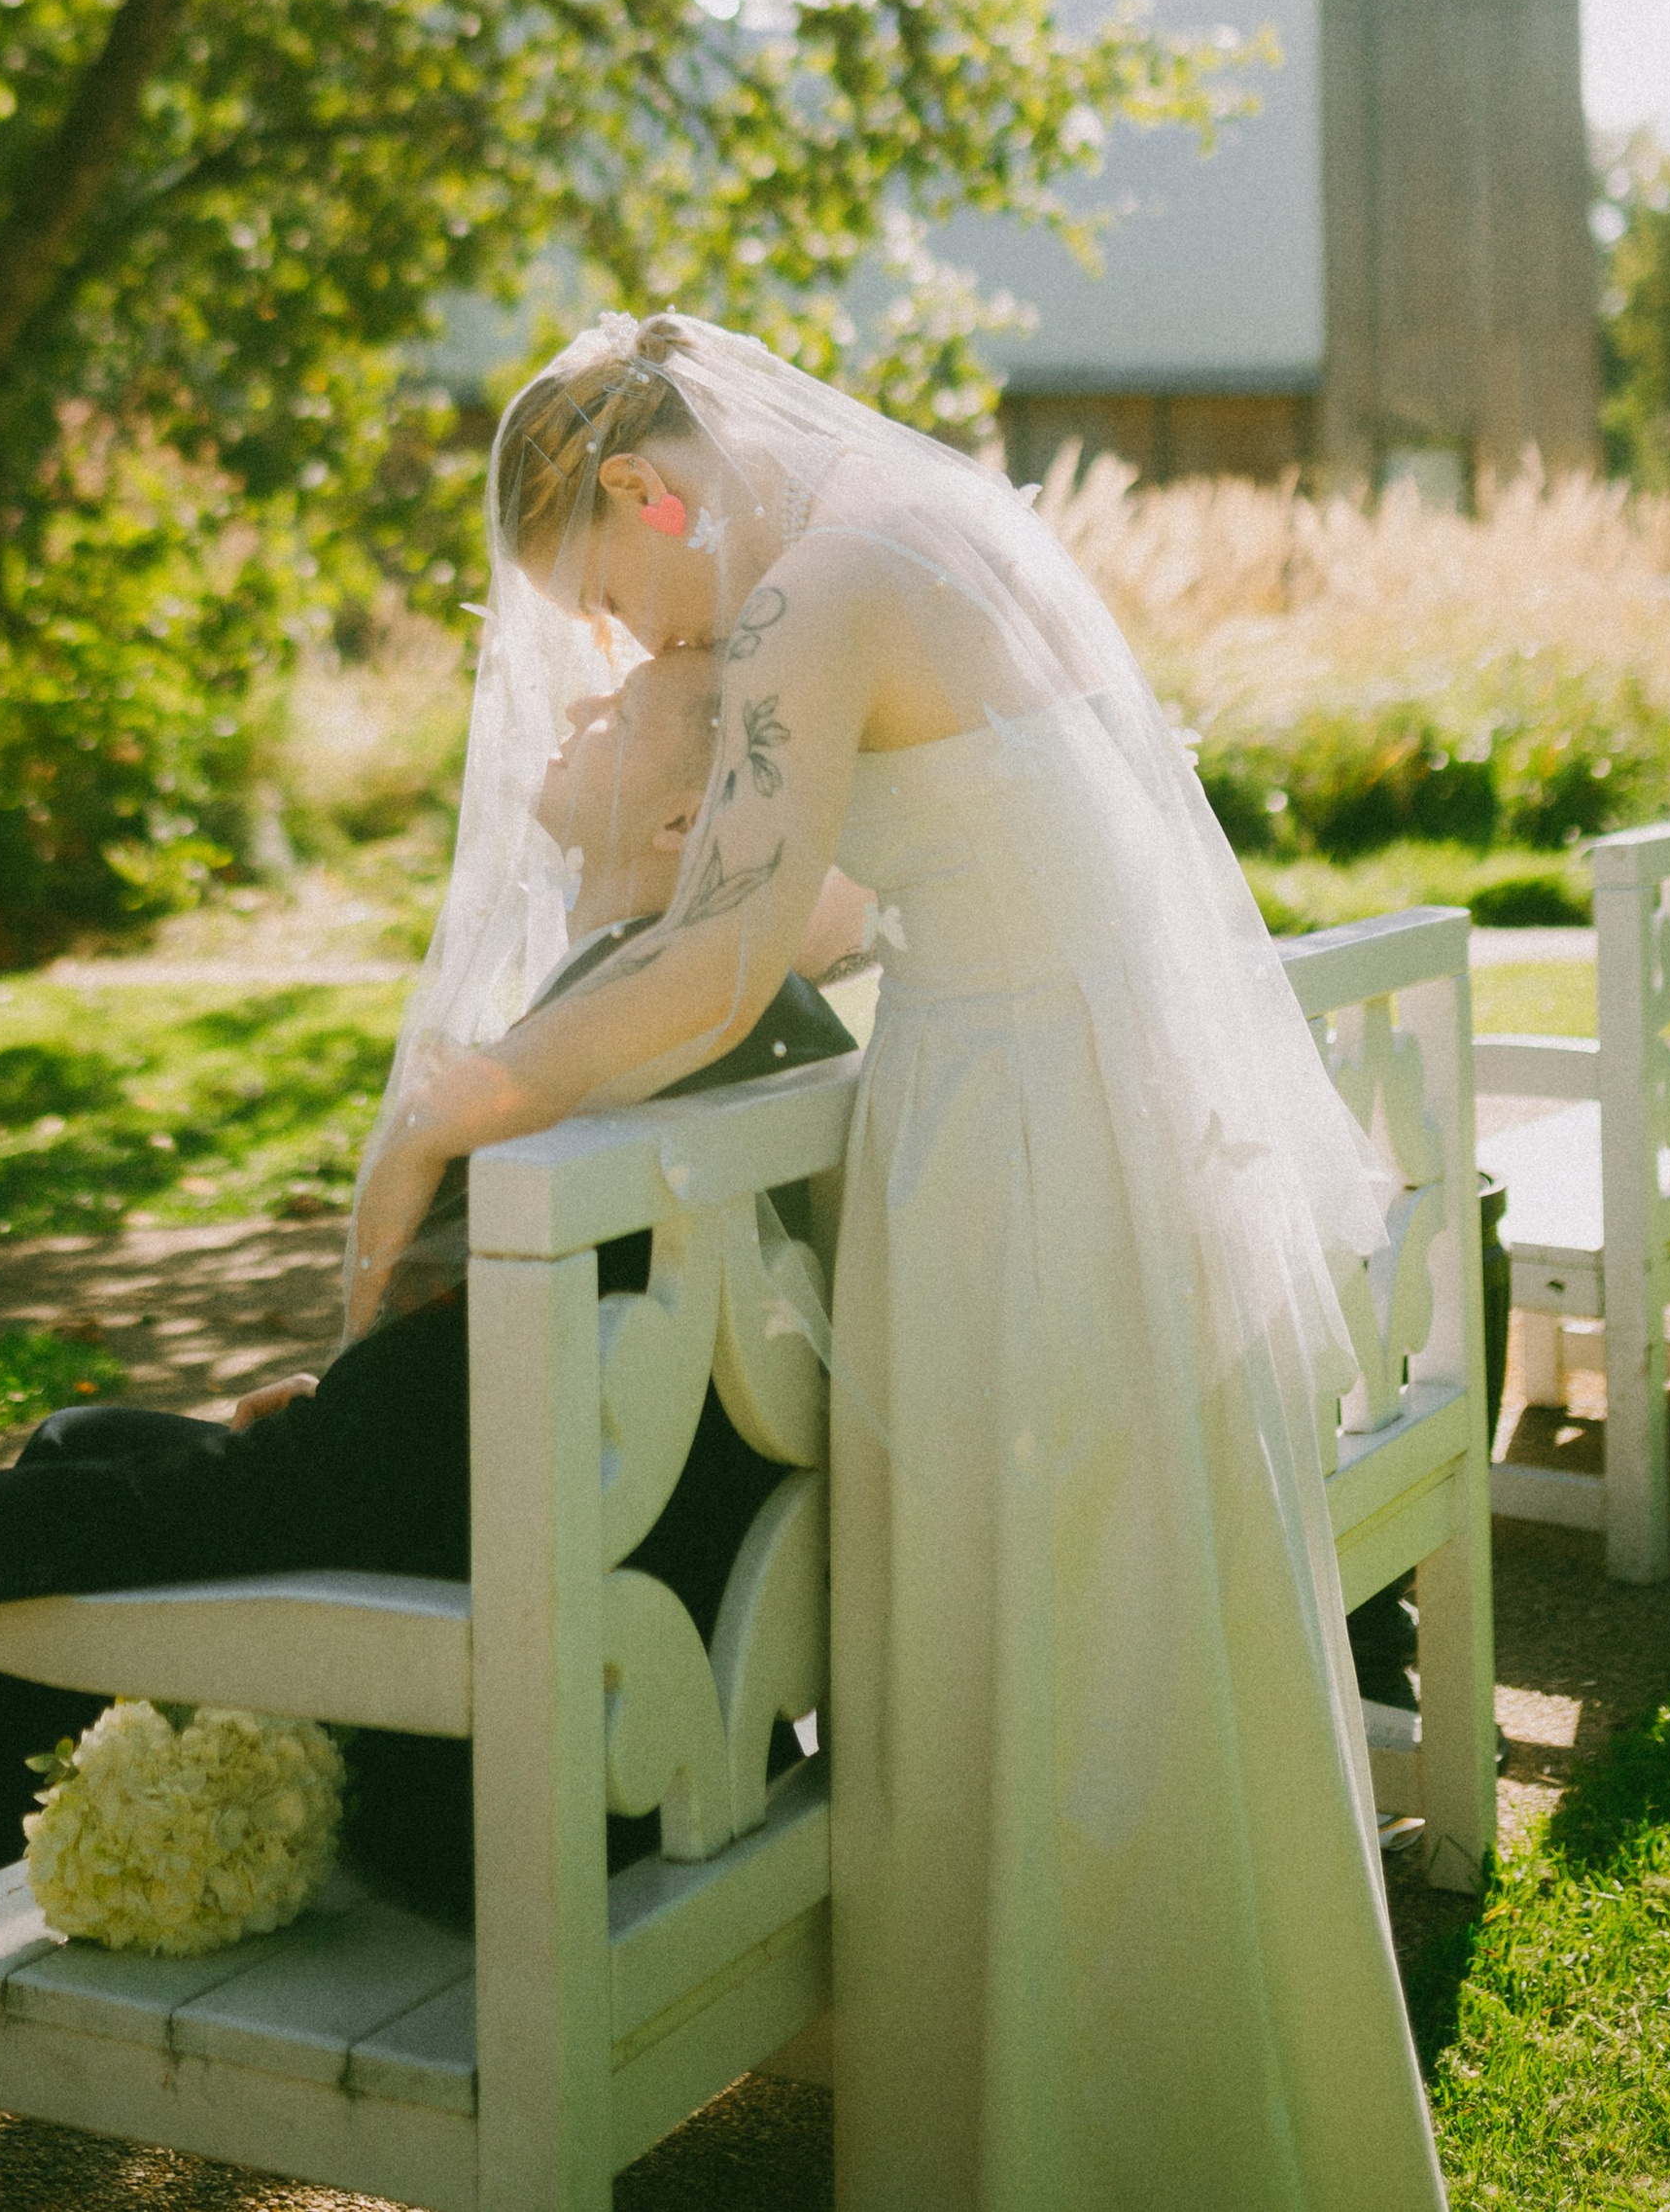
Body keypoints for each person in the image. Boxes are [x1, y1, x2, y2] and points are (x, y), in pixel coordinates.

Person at [0, 635, 872, 2212]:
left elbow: (352, 1477)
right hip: (645, 1674)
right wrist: (328, 1402)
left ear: (688, 826)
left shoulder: (610, 1049)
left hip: (531, 1776)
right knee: (91, 1451)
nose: (571, 702)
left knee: (47, 1513)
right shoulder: (739, 1019)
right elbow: (464, 1412)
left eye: (620, 708)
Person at [343, 312, 1447, 2212]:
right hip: (1105, 1107)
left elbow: (722, 959)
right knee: (1128, 1645)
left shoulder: (800, 597)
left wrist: (469, 1093)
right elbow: (904, 863)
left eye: (614, 588)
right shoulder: (931, 510)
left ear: (645, 485)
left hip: (1020, 1142)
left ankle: (1056, 2143)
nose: (635, 642)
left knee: (1030, 1651)